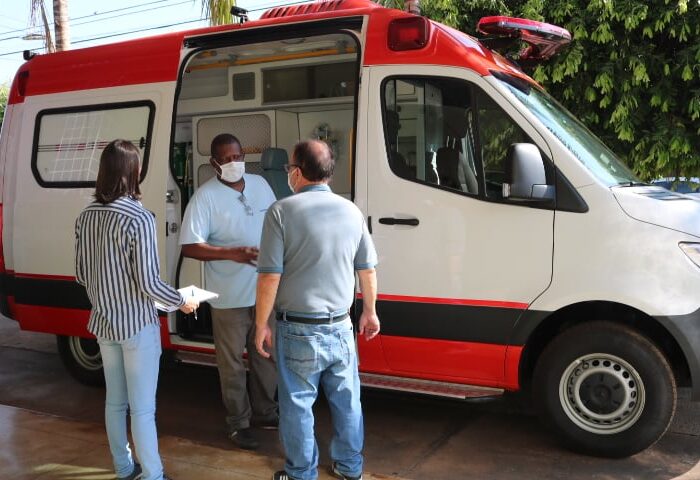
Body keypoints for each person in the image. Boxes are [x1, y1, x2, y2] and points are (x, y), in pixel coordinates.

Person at [254, 139, 380, 480]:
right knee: (347, 401)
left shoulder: (281, 212)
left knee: (297, 406)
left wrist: (261, 324)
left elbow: (269, 277)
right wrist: (369, 311)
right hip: (341, 327)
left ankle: (301, 473)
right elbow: (367, 269)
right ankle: (350, 467)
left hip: (297, 329)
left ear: (297, 171)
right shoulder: (352, 211)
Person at [74, 139, 198, 480]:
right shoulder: (140, 218)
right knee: (143, 409)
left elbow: (82, 274)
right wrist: (181, 300)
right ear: (135, 172)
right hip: (137, 326)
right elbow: (149, 283)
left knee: (115, 403)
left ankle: (124, 469)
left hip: (103, 324)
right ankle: (153, 475)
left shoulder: (86, 216)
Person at [179, 133, 278, 450]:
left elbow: (278, 223)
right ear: (214, 163)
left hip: (264, 291)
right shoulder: (205, 197)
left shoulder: (260, 185)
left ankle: (265, 411)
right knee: (232, 362)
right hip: (229, 297)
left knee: (265, 355)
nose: (234, 163)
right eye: (226, 159)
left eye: (238, 156)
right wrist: (230, 253)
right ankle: (239, 423)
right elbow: (190, 247)